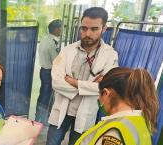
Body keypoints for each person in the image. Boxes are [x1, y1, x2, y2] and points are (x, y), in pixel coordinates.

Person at [46, 7, 118, 145]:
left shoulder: (110, 55)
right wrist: (89, 88)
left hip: (85, 114)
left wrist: (74, 82)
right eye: (84, 28)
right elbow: (56, 81)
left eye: (94, 29)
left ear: (104, 29)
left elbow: (106, 88)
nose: (87, 33)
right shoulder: (67, 50)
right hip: (62, 109)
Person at [75, 67, 159, 145]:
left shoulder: (114, 132)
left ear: (106, 93)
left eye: (100, 94)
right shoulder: (140, 122)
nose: (99, 99)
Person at [36, 19, 62, 125]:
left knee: (43, 95)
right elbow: (57, 61)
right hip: (49, 72)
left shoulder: (45, 39)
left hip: (43, 71)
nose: (62, 31)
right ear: (56, 29)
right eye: (61, 28)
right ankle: (42, 120)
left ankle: (39, 117)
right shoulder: (53, 43)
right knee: (47, 96)